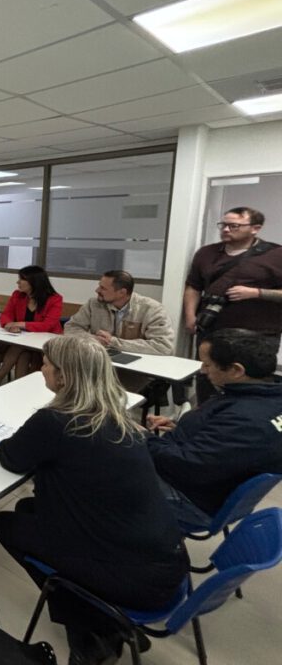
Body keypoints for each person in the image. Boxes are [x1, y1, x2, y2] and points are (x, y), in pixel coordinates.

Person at [0, 337, 188, 664]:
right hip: (167, 563)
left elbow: (9, 456)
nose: (41, 369)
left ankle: (94, 625)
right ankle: (100, 616)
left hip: (133, 580)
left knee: (4, 523)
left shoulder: (55, 421)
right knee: (27, 508)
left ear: (64, 376)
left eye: (46, 364)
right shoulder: (117, 416)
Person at [147, 328, 282, 528]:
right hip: (210, 483)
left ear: (236, 370)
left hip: (191, 500)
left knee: (103, 470)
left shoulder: (246, 420)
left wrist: (143, 438)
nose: (203, 370)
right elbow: (224, 445)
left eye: (208, 364)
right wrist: (182, 428)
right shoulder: (266, 397)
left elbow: (186, 465)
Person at [183, 207, 282, 403]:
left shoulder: (276, 255)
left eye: (234, 226)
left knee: (251, 387)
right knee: (207, 381)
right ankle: (205, 416)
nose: (226, 229)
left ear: (255, 228)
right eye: (223, 225)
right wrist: (190, 316)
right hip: (212, 331)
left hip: (257, 336)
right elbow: (193, 286)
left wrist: (257, 293)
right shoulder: (206, 253)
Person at [0, 265, 63, 392]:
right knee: (23, 354)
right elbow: (6, 315)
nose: (18, 282)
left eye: (22, 279)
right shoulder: (18, 295)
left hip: (45, 345)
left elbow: (48, 325)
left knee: (19, 347)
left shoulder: (55, 299)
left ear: (34, 282)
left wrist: (20, 324)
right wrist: (9, 326)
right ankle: (19, 389)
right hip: (24, 340)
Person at [65, 270, 174, 355]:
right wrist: (92, 339)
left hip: (138, 368)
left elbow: (163, 346)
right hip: (99, 360)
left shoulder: (152, 309)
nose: (97, 290)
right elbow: (71, 327)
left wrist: (112, 342)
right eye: (99, 285)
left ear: (122, 292)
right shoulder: (93, 304)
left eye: (103, 288)